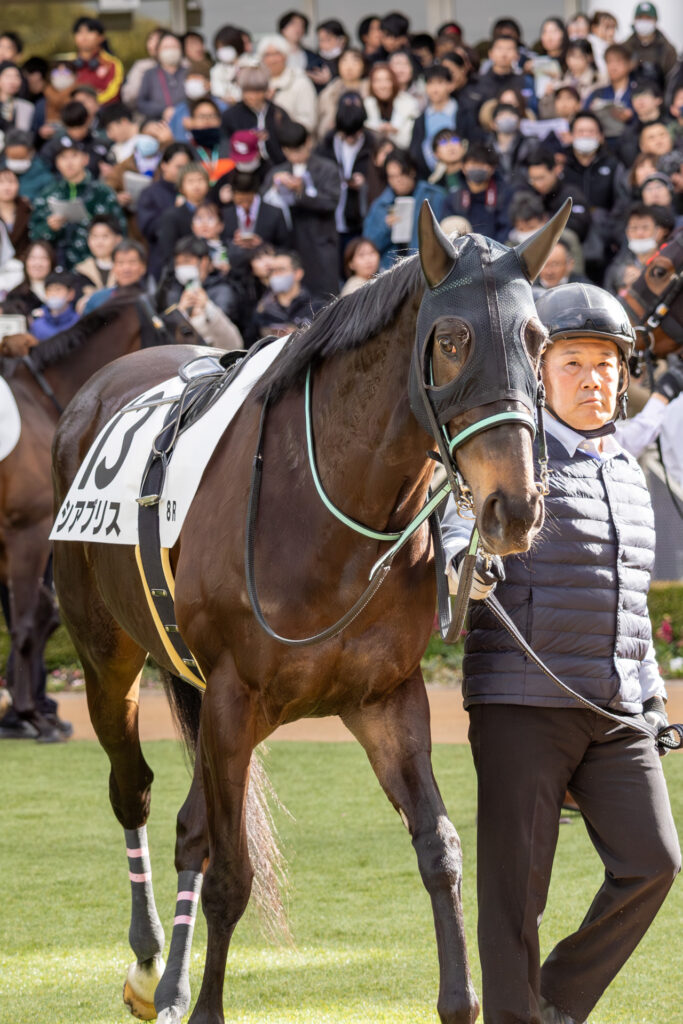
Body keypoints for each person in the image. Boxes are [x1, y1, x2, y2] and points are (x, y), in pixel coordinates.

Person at [441, 282, 681, 1024]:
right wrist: (465, 566)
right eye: (571, 362)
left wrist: (652, 703)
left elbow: (630, 603)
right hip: (521, 703)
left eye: (604, 364)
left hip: (613, 709)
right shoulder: (503, 458)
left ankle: (550, 1003)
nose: (591, 379)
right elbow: (456, 535)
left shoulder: (632, 478)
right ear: (539, 372)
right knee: (516, 892)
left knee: (653, 863)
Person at [262, 120, 340, 299]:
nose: (295, 156)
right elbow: (264, 207)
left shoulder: (327, 168)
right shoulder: (277, 172)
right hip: (289, 245)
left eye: (299, 150)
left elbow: (331, 202)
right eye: (289, 152)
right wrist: (274, 189)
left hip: (319, 244)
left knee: (325, 300)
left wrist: (300, 192)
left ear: (308, 143)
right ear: (283, 150)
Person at [29, 139, 125, 270]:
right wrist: (50, 228)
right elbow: (34, 234)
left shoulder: (103, 193)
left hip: (98, 267)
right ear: (56, 163)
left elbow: (120, 231)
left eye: (74, 156)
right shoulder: (48, 194)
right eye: (63, 157)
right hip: (58, 270)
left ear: (85, 159)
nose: (69, 163)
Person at [363, 149, 444, 268]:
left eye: (402, 174)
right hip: (392, 270)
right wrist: (386, 226)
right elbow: (368, 247)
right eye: (392, 176)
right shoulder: (381, 204)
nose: (398, 180)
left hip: (427, 266)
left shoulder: (433, 196)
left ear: (412, 171)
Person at [156, 236, 241, 340]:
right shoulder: (172, 290)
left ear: (204, 261)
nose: (182, 267)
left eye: (187, 261)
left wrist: (207, 307)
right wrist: (181, 312)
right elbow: (164, 330)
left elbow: (226, 333)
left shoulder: (222, 289)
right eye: (178, 263)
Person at [440, 143, 509, 241]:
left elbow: (505, 229)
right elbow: (446, 227)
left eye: (482, 165)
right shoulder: (454, 197)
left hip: (495, 251)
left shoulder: (503, 194)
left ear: (492, 168)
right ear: (463, 167)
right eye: (473, 164)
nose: (477, 168)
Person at [253, 248, 323, 337]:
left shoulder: (315, 307)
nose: (275, 274)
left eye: (281, 270)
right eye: (272, 271)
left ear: (298, 273)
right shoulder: (263, 309)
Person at [259, 34, 317, 135]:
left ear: (285, 56)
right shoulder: (257, 81)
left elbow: (308, 120)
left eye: (277, 54)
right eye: (267, 55)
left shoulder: (300, 81)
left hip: (292, 142)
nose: (272, 60)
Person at [409, 65, 460, 179]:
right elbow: (415, 150)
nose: (434, 88)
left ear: (451, 85)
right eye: (430, 83)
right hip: (429, 177)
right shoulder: (420, 119)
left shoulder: (463, 113)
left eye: (440, 82)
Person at [363, 62, 419, 151]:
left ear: (394, 82)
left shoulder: (409, 104)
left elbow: (410, 140)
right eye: (377, 81)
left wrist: (394, 131)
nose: (382, 86)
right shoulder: (366, 105)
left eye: (387, 80)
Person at [81, 239, 149, 312]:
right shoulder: (97, 300)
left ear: (143, 267)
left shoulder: (152, 300)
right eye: (120, 263)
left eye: (132, 262)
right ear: (113, 268)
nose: (126, 268)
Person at [71, 15, 123, 106]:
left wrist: (88, 104)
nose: (84, 36)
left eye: (89, 31)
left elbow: (113, 94)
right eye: (79, 32)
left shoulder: (112, 64)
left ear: (101, 37)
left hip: (103, 112)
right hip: (72, 114)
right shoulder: (68, 64)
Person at [73, 214, 122, 310]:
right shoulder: (81, 271)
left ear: (118, 239)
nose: (99, 242)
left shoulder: (126, 269)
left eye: (105, 236)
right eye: (94, 236)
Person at [137, 31, 187, 121]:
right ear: (158, 51)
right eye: (166, 47)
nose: (171, 51)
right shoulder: (150, 74)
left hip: (185, 121)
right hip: (158, 123)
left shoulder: (189, 73)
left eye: (174, 47)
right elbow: (141, 104)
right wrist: (162, 110)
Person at [624, 1, 677, 83]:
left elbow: (674, 81)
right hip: (630, 94)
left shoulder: (668, 50)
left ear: (655, 20)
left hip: (659, 94)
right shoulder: (624, 48)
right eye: (640, 18)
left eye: (648, 18)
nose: (644, 21)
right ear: (634, 20)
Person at [1, 240, 55, 316]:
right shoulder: (15, 295)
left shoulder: (61, 287)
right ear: (26, 262)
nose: (38, 263)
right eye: (33, 258)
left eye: (43, 258)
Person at [0, 129, 54, 201]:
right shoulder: (2, 170)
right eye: (13, 157)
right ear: (6, 153)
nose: (17, 162)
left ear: (31, 152)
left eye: (21, 157)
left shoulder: (45, 177)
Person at [30, 269, 80, 340]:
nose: (53, 294)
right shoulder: (37, 325)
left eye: (58, 289)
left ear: (71, 294)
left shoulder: (78, 322)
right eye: (49, 290)